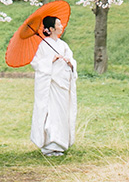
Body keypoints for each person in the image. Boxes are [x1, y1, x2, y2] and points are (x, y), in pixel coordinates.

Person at [30, 15, 77, 157]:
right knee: (51, 115)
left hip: (62, 84)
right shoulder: (43, 45)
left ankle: (60, 144)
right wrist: (51, 59)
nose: (61, 26)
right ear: (50, 29)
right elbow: (36, 63)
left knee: (62, 114)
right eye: (58, 24)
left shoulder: (63, 45)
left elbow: (72, 60)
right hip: (51, 86)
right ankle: (50, 145)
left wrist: (70, 63)